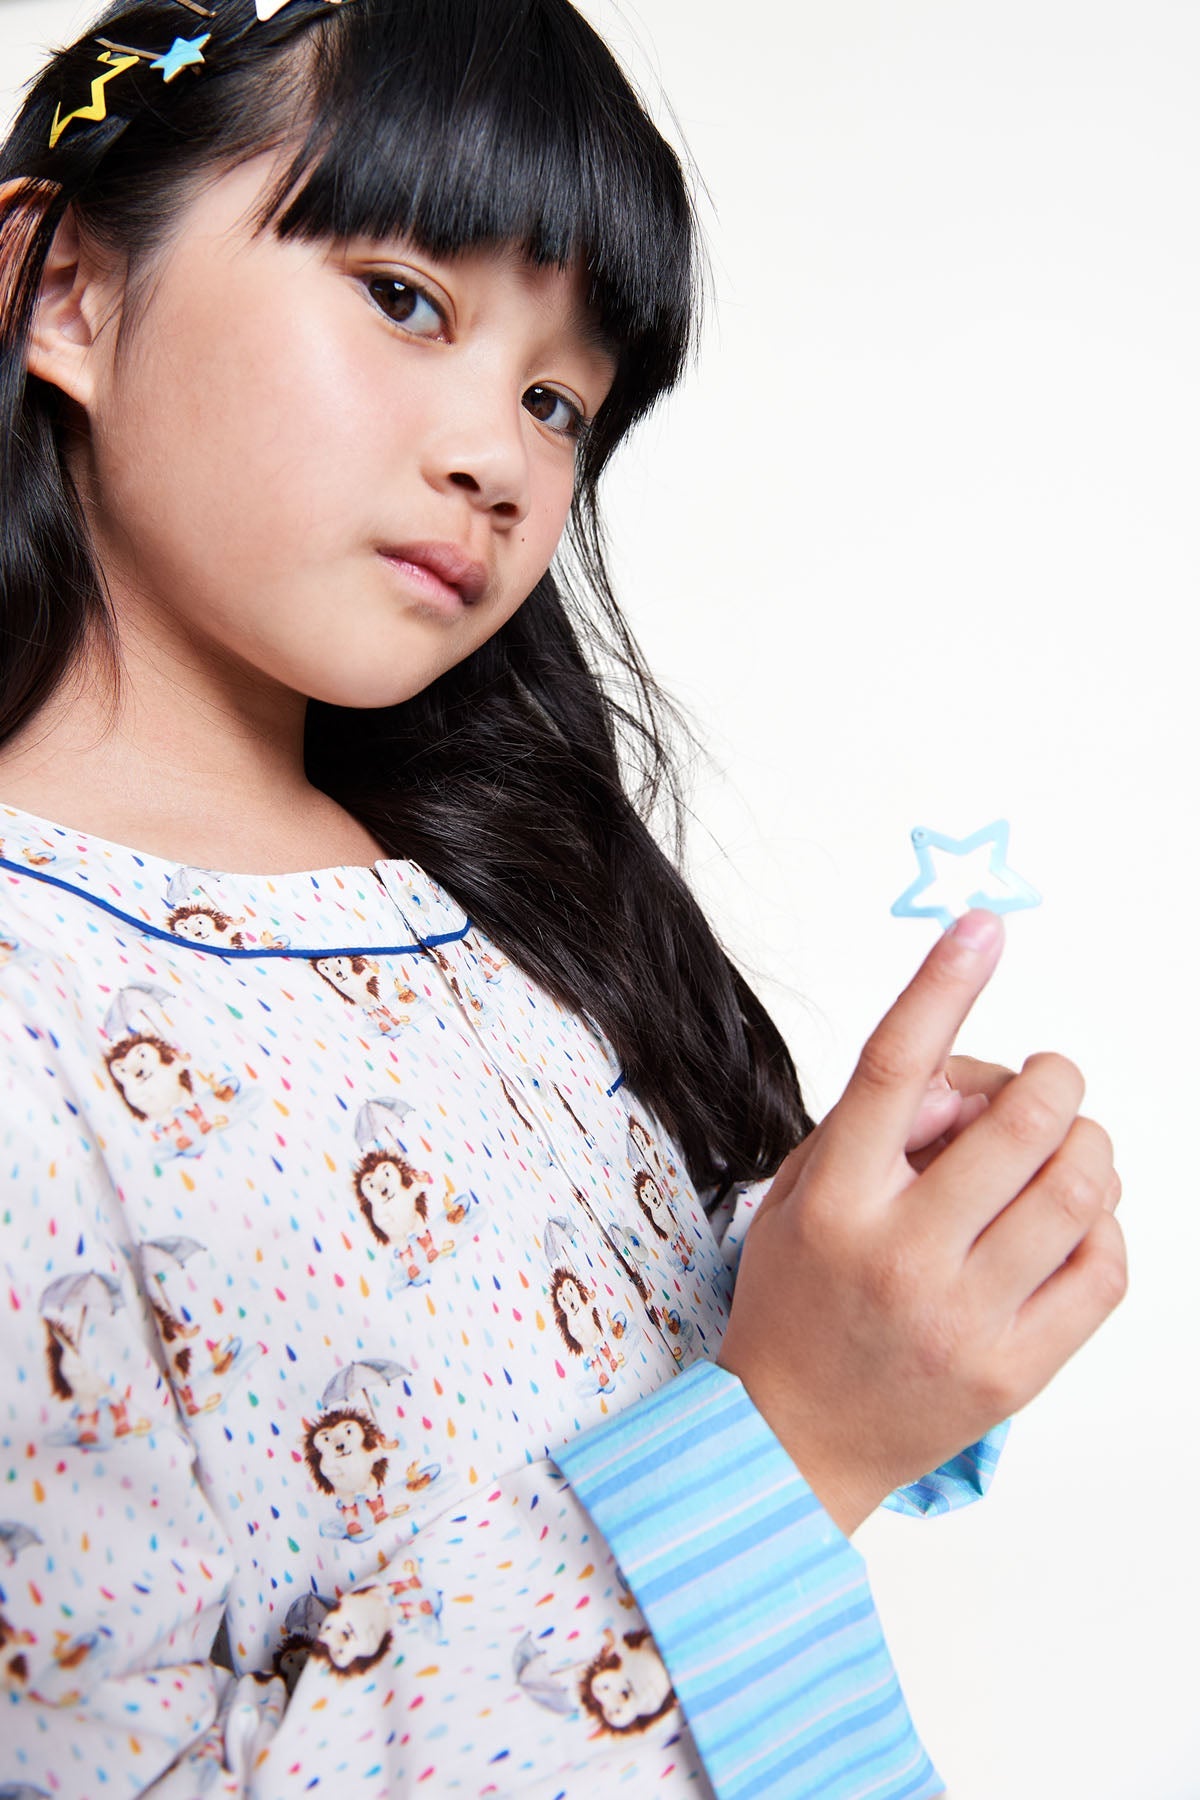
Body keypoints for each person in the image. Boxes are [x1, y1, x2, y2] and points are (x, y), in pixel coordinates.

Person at [0, 0, 1125, 1794]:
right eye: (404, 298)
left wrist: (838, 1267)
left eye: (557, 401)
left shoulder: (491, 895)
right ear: (60, 288)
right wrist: (790, 1438)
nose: (502, 458)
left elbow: (581, 1370)